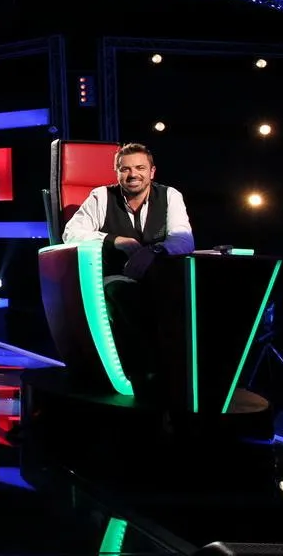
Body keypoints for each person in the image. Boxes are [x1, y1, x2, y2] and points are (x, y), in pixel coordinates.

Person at [62, 142, 194, 400]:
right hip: (113, 276)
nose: (133, 174)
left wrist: (153, 251)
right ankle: (146, 376)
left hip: (159, 277)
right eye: (125, 169)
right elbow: (71, 233)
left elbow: (184, 239)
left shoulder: (170, 196)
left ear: (152, 172)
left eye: (140, 168)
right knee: (125, 294)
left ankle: (181, 376)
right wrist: (115, 240)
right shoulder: (101, 196)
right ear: (117, 172)